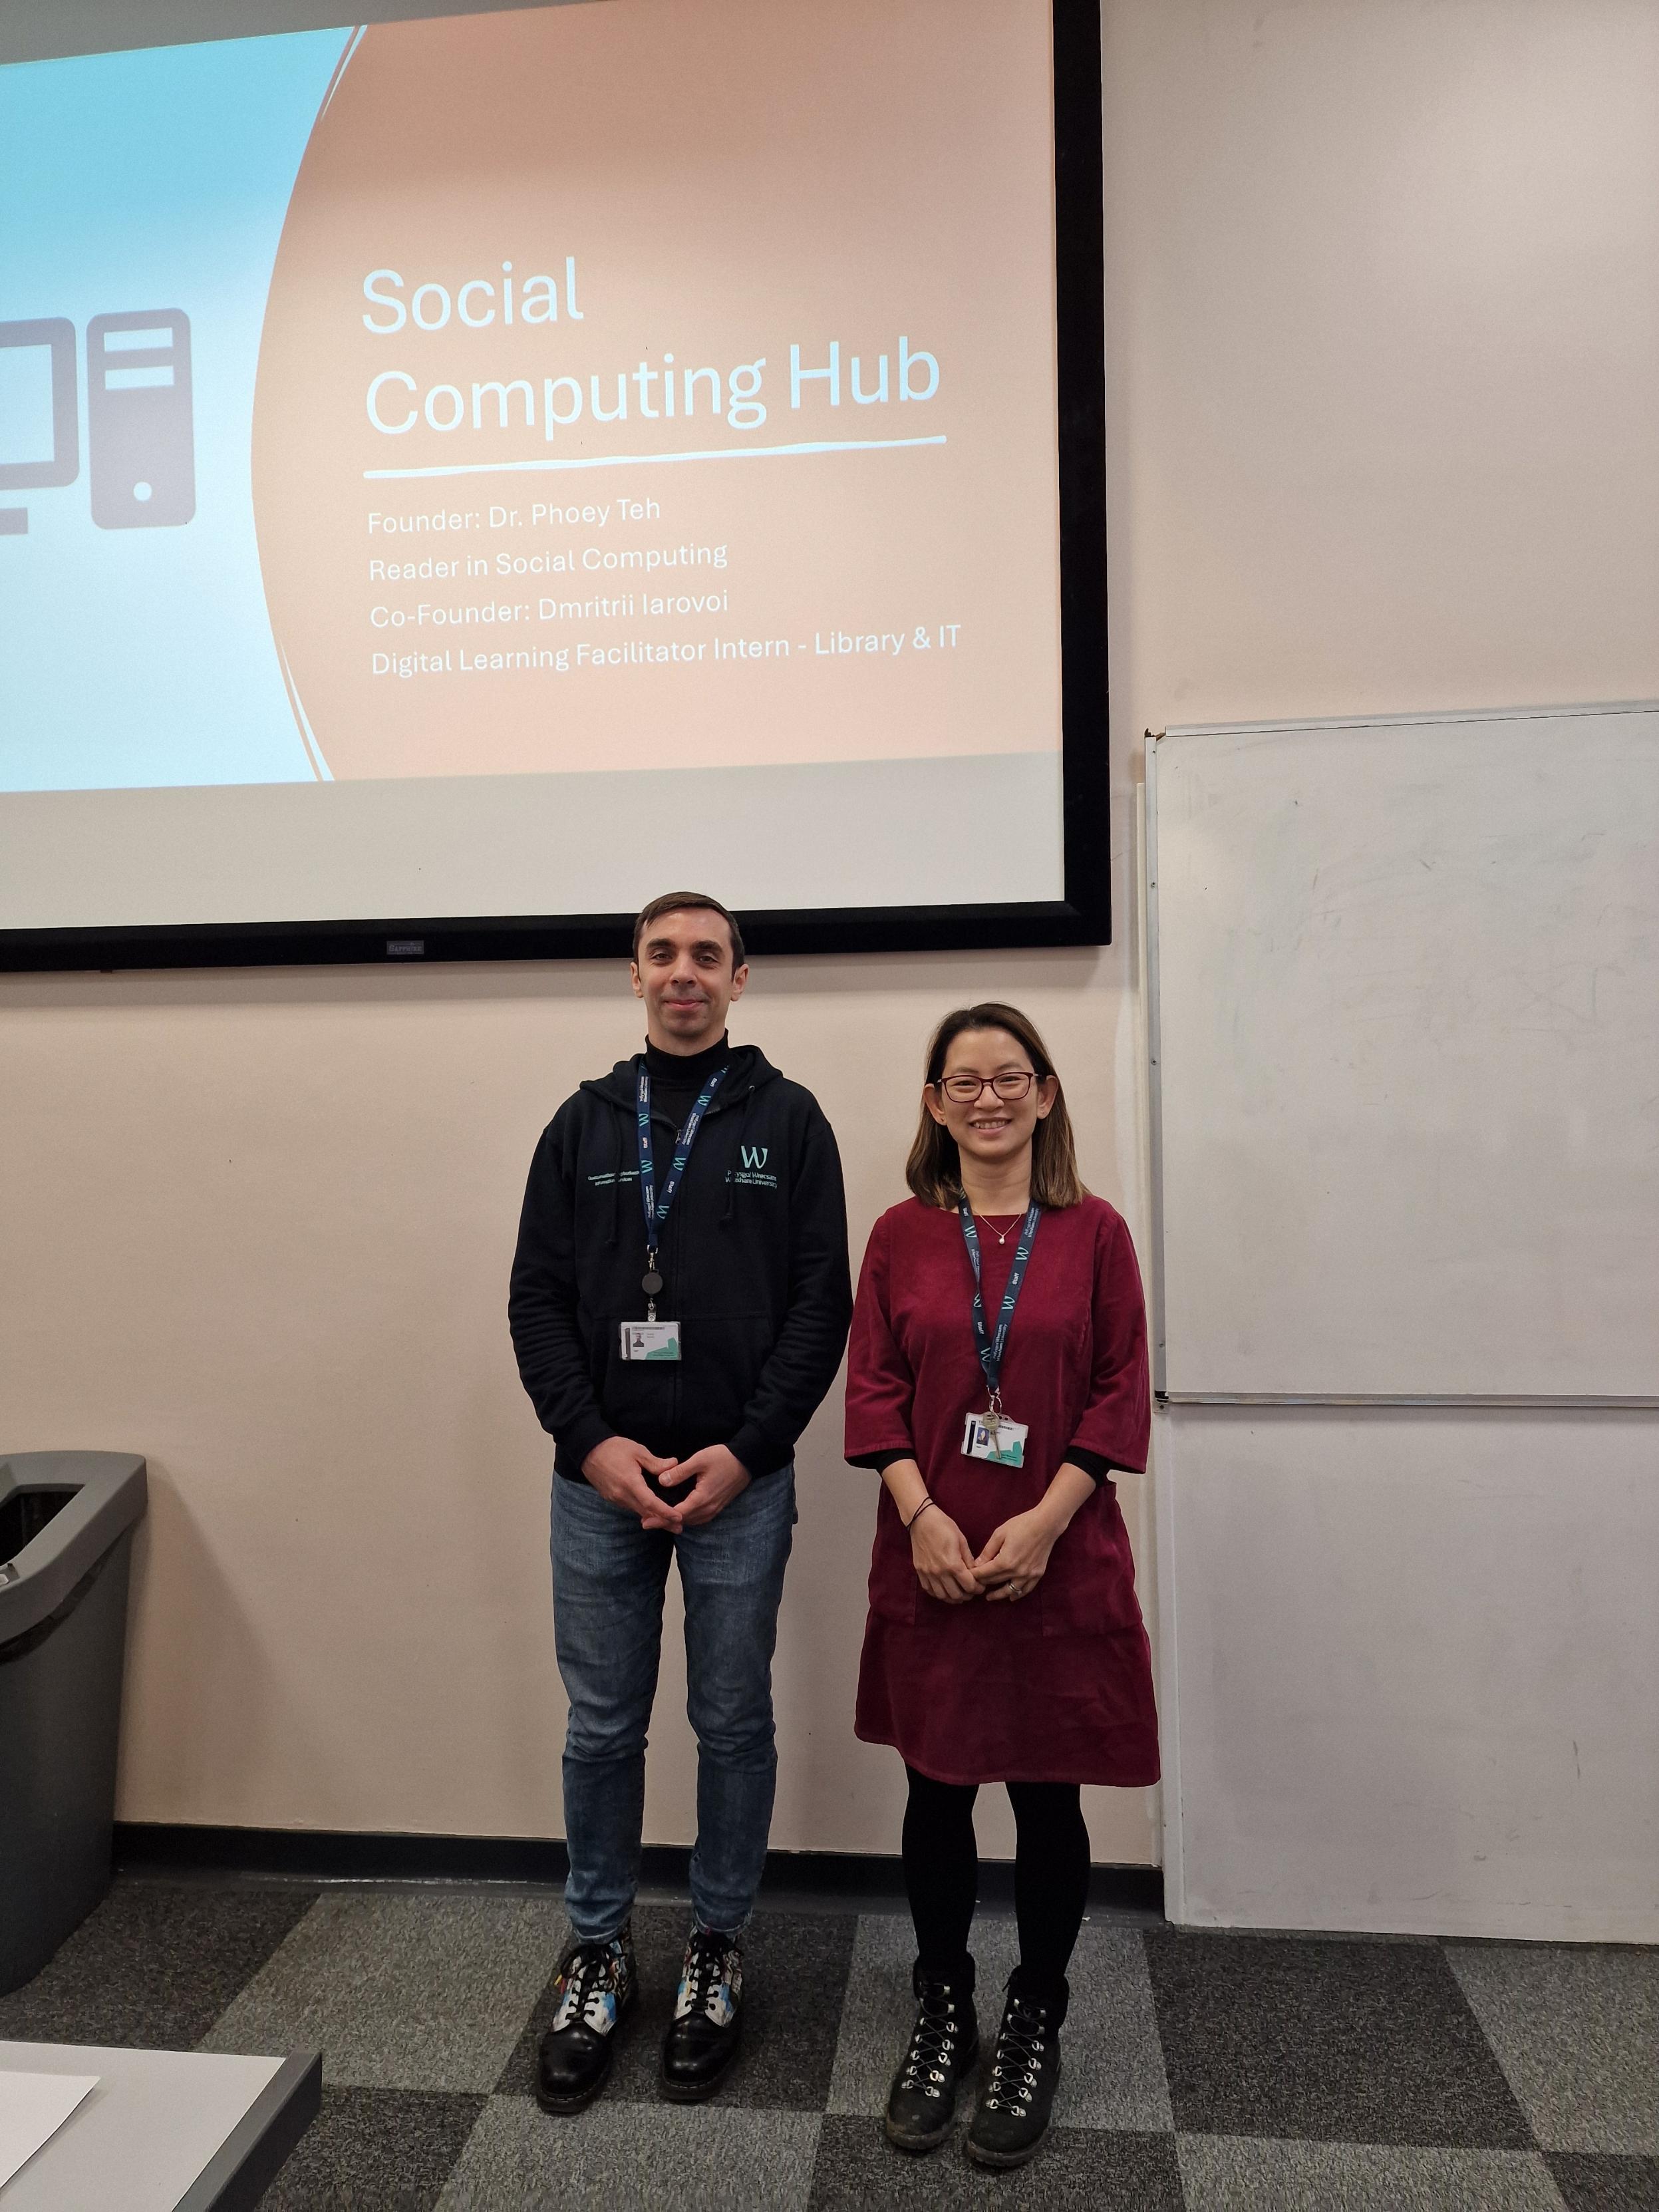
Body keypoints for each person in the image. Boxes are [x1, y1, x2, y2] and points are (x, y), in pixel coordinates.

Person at [509, 891, 851, 2112]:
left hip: (737, 1482)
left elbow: (823, 1305)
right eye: (663, 955)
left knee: (731, 1719)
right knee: (601, 1725)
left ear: (741, 979)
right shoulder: (581, 1122)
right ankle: (596, 1947)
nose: (683, 974)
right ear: (635, 976)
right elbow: (536, 1301)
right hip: (598, 1483)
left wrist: (748, 1451)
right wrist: (590, 1440)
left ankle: (716, 1945)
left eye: (707, 955)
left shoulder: (790, 1121)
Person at [843, 1001, 1157, 2172]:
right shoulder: (895, 1233)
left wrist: (1042, 1519)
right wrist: (923, 1516)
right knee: (935, 1792)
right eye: (962, 1080)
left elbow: (1119, 1387)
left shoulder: (1096, 1233)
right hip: (929, 1560)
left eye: (1009, 1076)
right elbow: (871, 1390)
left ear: (1046, 1091)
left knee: (1044, 1796)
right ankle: (943, 2002)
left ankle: (1034, 2010)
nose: (988, 1097)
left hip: (1055, 1559)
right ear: (933, 1103)